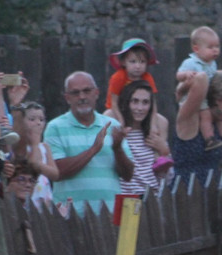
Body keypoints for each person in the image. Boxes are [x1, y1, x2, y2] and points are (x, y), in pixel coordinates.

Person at [43, 71, 134, 215]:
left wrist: (117, 149)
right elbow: (58, 171)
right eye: (75, 93)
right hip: (70, 216)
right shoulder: (55, 127)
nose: (82, 97)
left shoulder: (112, 125)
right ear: (67, 98)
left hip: (109, 214)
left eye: (87, 91)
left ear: (96, 93)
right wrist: (93, 150)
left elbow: (128, 175)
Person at [172, 69, 222, 183]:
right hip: (186, 196)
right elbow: (200, 79)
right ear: (218, 99)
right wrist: (181, 91)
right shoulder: (190, 119)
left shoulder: (216, 123)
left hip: (212, 196)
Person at [176, 26, 222, 150]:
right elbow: (178, 75)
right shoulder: (191, 62)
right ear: (196, 49)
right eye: (211, 48)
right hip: (194, 97)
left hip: (207, 95)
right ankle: (209, 139)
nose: (215, 50)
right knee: (206, 115)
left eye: (217, 47)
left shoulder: (211, 63)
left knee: (220, 113)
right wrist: (186, 75)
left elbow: (215, 74)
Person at [119, 79, 171, 195]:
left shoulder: (154, 133)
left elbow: (167, 179)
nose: (140, 108)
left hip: (152, 200)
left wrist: (164, 152)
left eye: (145, 102)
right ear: (127, 102)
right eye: (135, 101)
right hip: (126, 200)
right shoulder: (118, 130)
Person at [9, 101, 57, 207]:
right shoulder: (20, 146)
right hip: (27, 193)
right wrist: (35, 144)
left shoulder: (44, 147)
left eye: (41, 119)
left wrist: (37, 144)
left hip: (44, 196)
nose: (38, 123)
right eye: (32, 119)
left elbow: (55, 174)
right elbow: (33, 164)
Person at [105, 38, 160, 123]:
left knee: (161, 120)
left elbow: (153, 102)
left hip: (141, 111)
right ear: (123, 62)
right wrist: (121, 120)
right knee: (107, 114)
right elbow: (114, 103)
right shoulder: (118, 77)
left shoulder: (148, 78)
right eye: (133, 62)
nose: (138, 66)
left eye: (142, 62)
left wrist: (153, 124)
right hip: (119, 110)